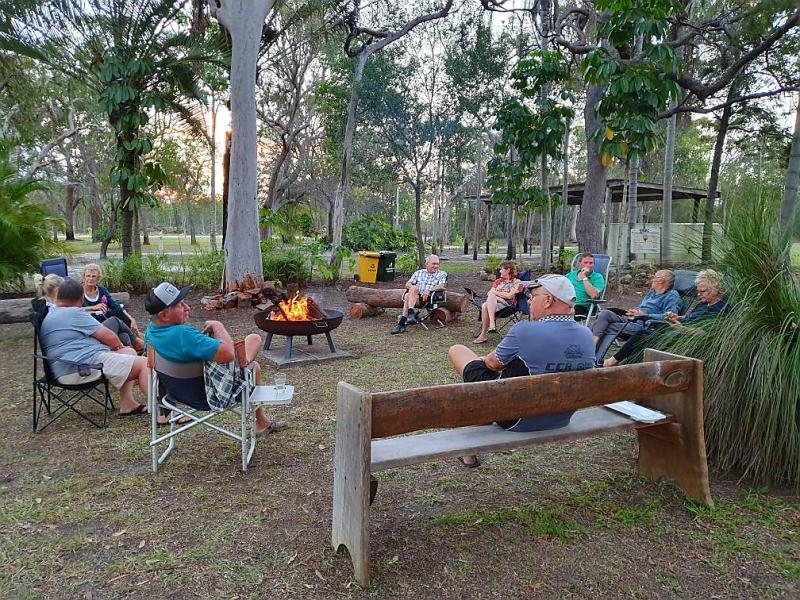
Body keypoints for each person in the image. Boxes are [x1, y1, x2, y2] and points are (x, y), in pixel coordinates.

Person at [448, 274, 595, 467]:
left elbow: (492, 364)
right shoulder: (586, 334)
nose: (529, 301)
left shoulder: (525, 330)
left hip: (518, 418)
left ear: (548, 300)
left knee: (458, 352)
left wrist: (485, 359)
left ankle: (469, 451)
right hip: (561, 417)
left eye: (533, 297)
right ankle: (469, 452)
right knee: (489, 389)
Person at [144, 282, 287, 435]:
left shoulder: (151, 333)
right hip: (209, 395)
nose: (187, 307)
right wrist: (218, 326)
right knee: (254, 345)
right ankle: (261, 423)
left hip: (175, 394)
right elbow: (228, 354)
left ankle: (262, 421)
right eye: (180, 305)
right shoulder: (184, 335)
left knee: (250, 350)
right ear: (164, 315)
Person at [39, 278, 151, 416]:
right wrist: (117, 347)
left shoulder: (53, 313)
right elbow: (109, 337)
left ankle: (127, 404)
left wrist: (118, 349)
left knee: (128, 352)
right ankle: (164, 412)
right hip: (79, 369)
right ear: (81, 299)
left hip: (67, 366)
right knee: (144, 364)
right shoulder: (73, 313)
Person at [602, 269, 727, 367]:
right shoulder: (704, 304)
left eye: (703, 291)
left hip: (685, 337)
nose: (699, 295)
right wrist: (677, 317)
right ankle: (621, 363)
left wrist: (681, 328)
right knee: (645, 332)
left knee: (643, 335)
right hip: (677, 330)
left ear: (715, 289)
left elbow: (707, 333)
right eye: (698, 291)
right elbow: (690, 317)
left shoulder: (721, 309)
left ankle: (614, 362)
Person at [591, 269, 681, 349]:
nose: (652, 279)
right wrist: (635, 311)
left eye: (655, 277)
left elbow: (671, 317)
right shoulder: (652, 292)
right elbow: (644, 307)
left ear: (662, 280)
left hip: (645, 326)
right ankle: (590, 350)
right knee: (604, 314)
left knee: (602, 326)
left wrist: (645, 315)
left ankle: (589, 352)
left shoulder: (672, 296)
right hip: (633, 319)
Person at [81, 263, 143, 351]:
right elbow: (72, 310)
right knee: (115, 320)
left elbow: (116, 307)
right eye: (88, 276)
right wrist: (93, 307)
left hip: (105, 322)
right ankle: (138, 340)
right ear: (84, 277)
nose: (90, 279)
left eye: (93, 276)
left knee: (124, 336)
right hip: (93, 327)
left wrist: (131, 318)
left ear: (98, 278)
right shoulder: (78, 291)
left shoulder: (101, 290)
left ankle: (135, 350)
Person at [391, 254, 447, 335]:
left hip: (429, 298)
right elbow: (407, 284)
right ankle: (410, 314)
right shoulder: (419, 273)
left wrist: (429, 290)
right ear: (427, 264)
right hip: (416, 297)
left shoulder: (441, 274)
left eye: (437, 264)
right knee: (413, 289)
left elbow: (442, 286)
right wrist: (413, 288)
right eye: (433, 264)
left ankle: (402, 323)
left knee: (407, 296)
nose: (436, 266)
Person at [473, 261, 521, 344]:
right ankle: (491, 325)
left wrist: (496, 294)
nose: (499, 271)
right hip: (495, 304)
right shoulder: (498, 281)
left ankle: (484, 333)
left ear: (508, 270)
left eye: (501, 269)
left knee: (487, 302)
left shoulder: (517, 282)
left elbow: (509, 296)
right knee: (485, 305)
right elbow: (489, 293)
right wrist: (500, 298)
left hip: (508, 306)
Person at [565, 253, 605, 318]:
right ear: (580, 264)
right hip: (567, 304)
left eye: (591, 263)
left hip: (584, 307)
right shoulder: (571, 275)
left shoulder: (598, 277)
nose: (588, 265)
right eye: (585, 262)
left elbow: (594, 295)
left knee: (567, 311)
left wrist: (584, 277)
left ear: (594, 265)